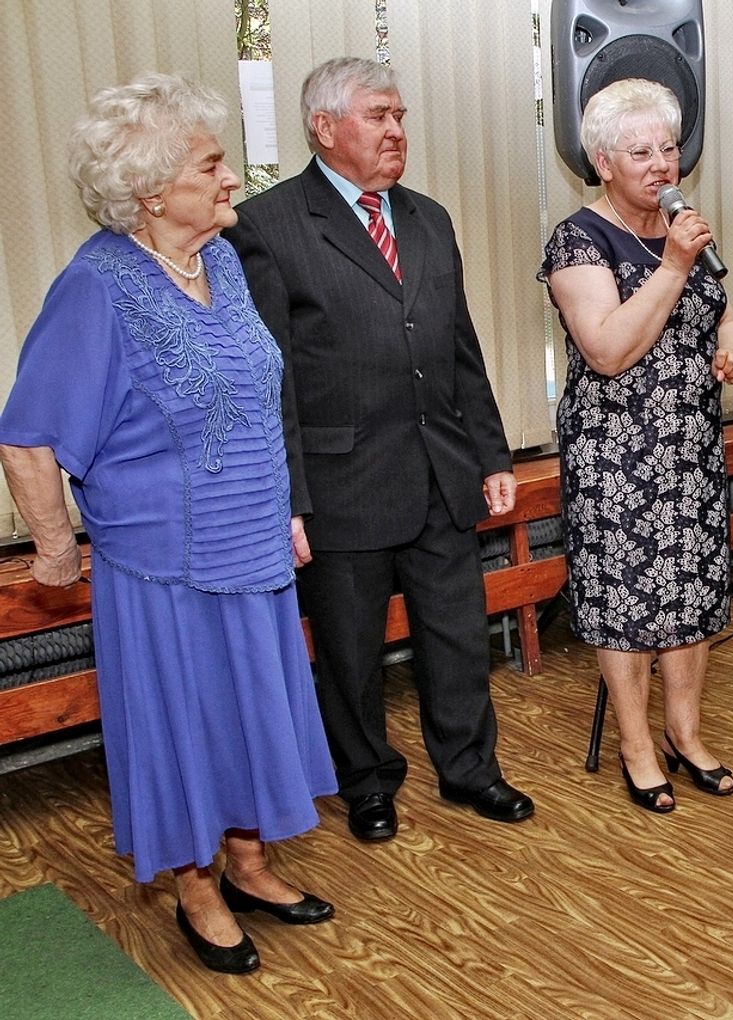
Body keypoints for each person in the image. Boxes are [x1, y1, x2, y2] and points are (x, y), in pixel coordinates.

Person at [0, 74, 335, 974]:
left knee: (252, 717)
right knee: (186, 728)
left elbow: (256, 404)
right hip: (165, 570)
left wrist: (284, 508)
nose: (232, 179)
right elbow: (28, 436)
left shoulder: (219, 261)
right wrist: (57, 550)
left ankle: (249, 866)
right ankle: (196, 889)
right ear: (150, 191)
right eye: (211, 164)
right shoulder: (96, 288)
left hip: (252, 547)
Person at [225, 57, 533, 841]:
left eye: (400, 116)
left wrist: (493, 454)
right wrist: (289, 499)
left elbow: (459, 346)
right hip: (341, 482)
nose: (397, 130)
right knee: (351, 652)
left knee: (457, 637)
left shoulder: (428, 217)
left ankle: (470, 769)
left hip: (440, 470)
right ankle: (366, 781)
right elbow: (269, 379)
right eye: (378, 116)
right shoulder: (267, 225)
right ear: (325, 128)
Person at [538, 78, 733, 813]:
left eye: (669, 147)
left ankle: (685, 734)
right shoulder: (578, 240)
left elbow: (719, 307)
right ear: (603, 163)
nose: (662, 164)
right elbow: (607, 349)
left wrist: (732, 339)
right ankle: (636, 746)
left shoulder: (681, 225)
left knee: (691, 593)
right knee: (626, 602)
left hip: (690, 449)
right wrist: (674, 266)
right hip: (617, 456)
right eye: (641, 152)